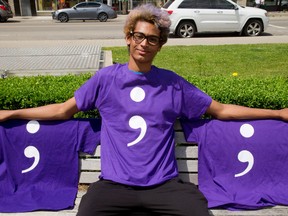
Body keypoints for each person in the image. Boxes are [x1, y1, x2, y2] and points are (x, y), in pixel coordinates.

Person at [0, 4, 287, 216]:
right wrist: (10, 114)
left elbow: (220, 110)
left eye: (152, 39)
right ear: (128, 37)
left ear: (160, 46)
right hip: (113, 186)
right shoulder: (105, 80)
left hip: (164, 186)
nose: (144, 44)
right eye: (139, 36)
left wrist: (277, 113)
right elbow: (63, 110)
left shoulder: (173, 84)